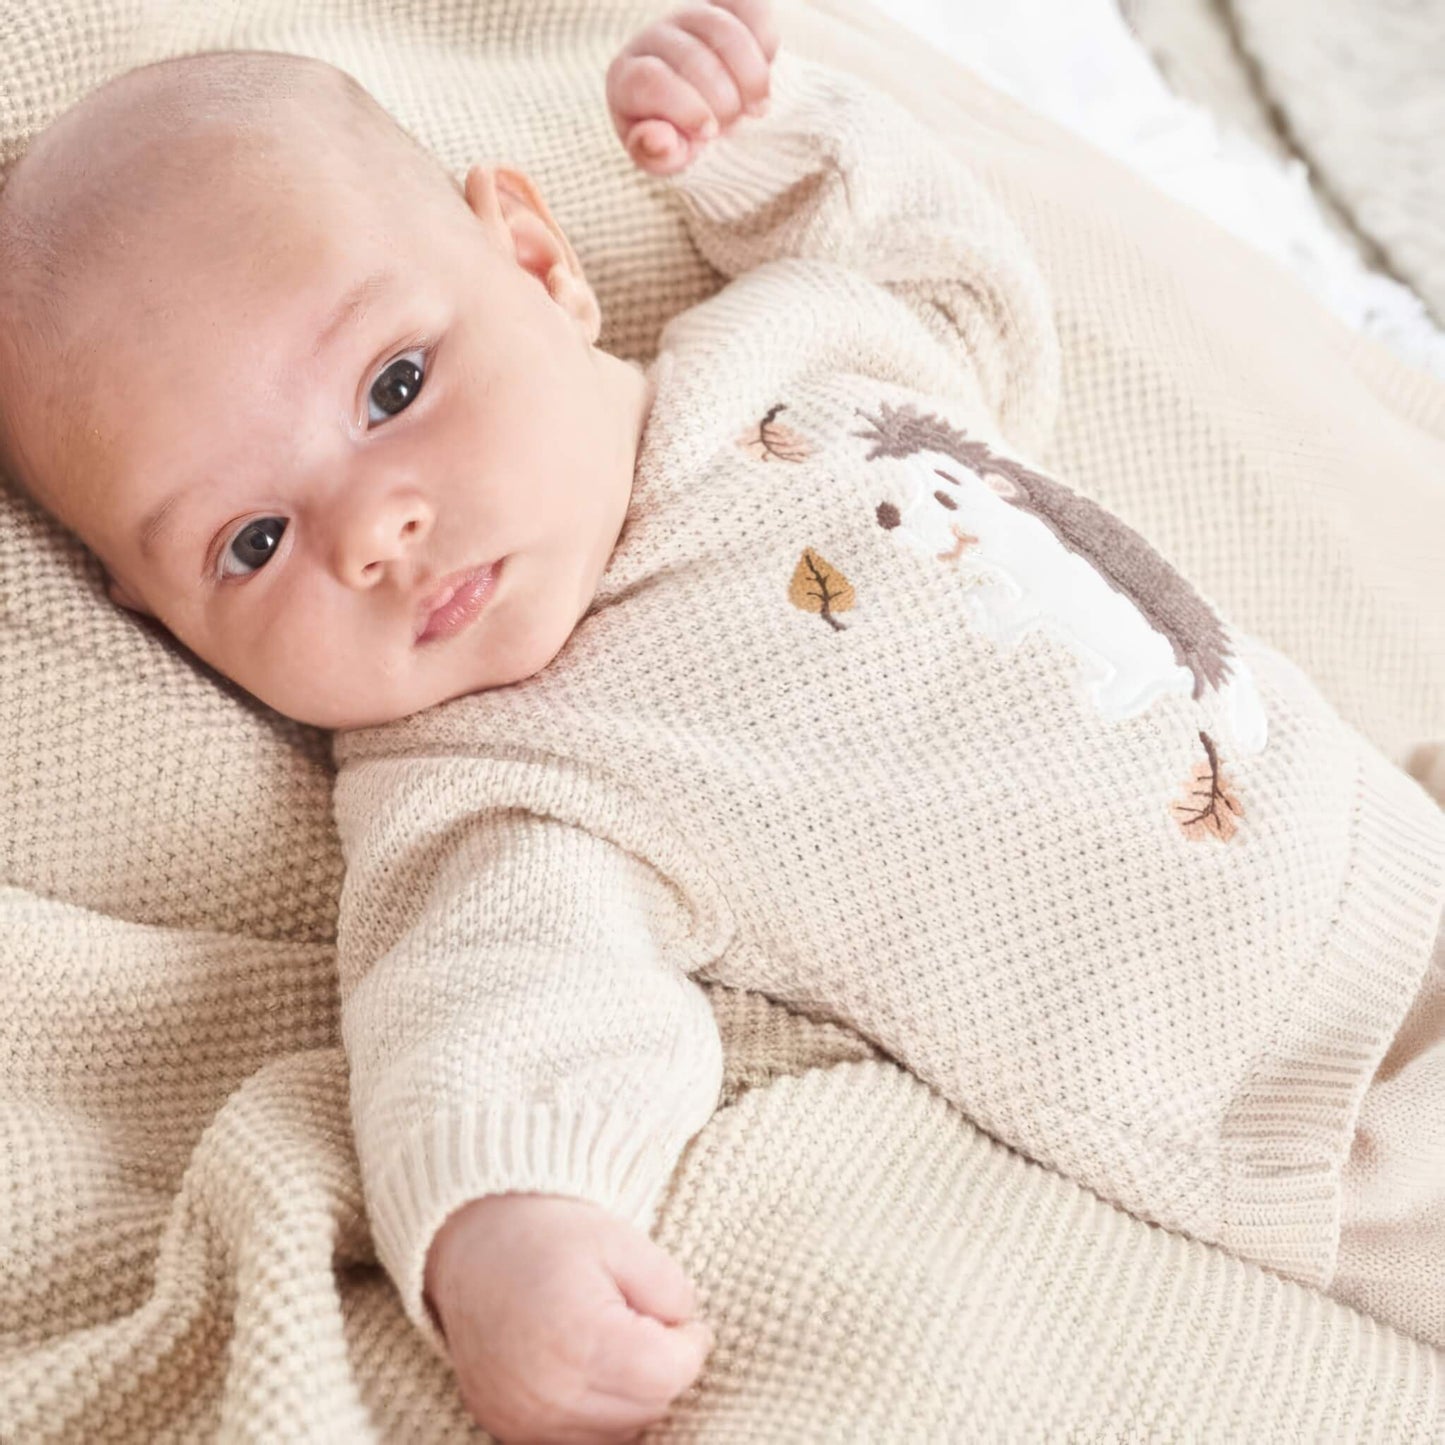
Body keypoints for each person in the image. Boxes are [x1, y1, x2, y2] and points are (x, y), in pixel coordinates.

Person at [0, 2, 1439, 1440]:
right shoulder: (495, 778)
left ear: (537, 260)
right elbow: (499, 1011)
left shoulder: (779, 351)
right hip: (1314, 1101)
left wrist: (773, 137)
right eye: (250, 542)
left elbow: (965, 302)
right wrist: (508, 1238)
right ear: (155, 614)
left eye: (392, 387)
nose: (376, 528)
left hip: (1393, 824)